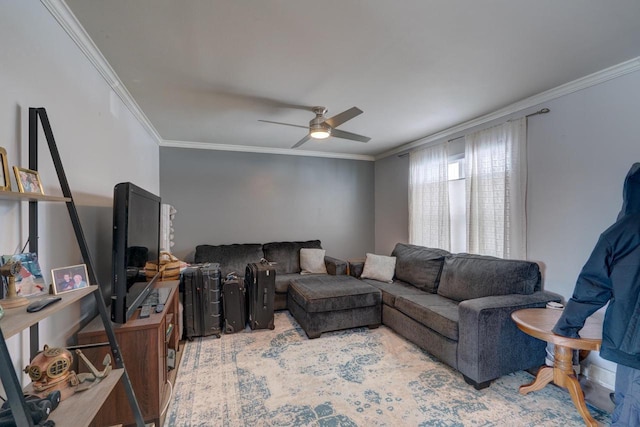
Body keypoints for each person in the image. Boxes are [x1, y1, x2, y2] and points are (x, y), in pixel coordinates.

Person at [552, 163, 640, 426]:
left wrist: (566, 327)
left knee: (631, 404)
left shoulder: (625, 230)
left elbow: (593, 285)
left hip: (633, 339)